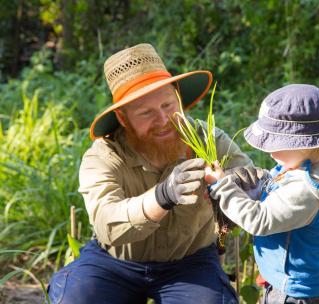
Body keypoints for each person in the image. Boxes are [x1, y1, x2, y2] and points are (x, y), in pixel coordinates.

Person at [47, 43, 252, 304]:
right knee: (76, 298)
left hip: (190, 263)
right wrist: (163, 195)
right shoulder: (104, 156)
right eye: (146, 113)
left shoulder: (208, 140)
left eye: (168, 105)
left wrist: (231, 187)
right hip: (115, 261)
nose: (163, 119)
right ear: (123, 118)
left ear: (178, 97)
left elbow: (250, 181)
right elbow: (106, 222)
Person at [205, 84, 319, 304]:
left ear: (306, 145)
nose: (269, 151)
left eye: (277, 144)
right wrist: (262, 180)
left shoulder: (305, 191)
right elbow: (285, 183)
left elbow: (259, 220)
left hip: (294, 291)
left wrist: (222, 186)